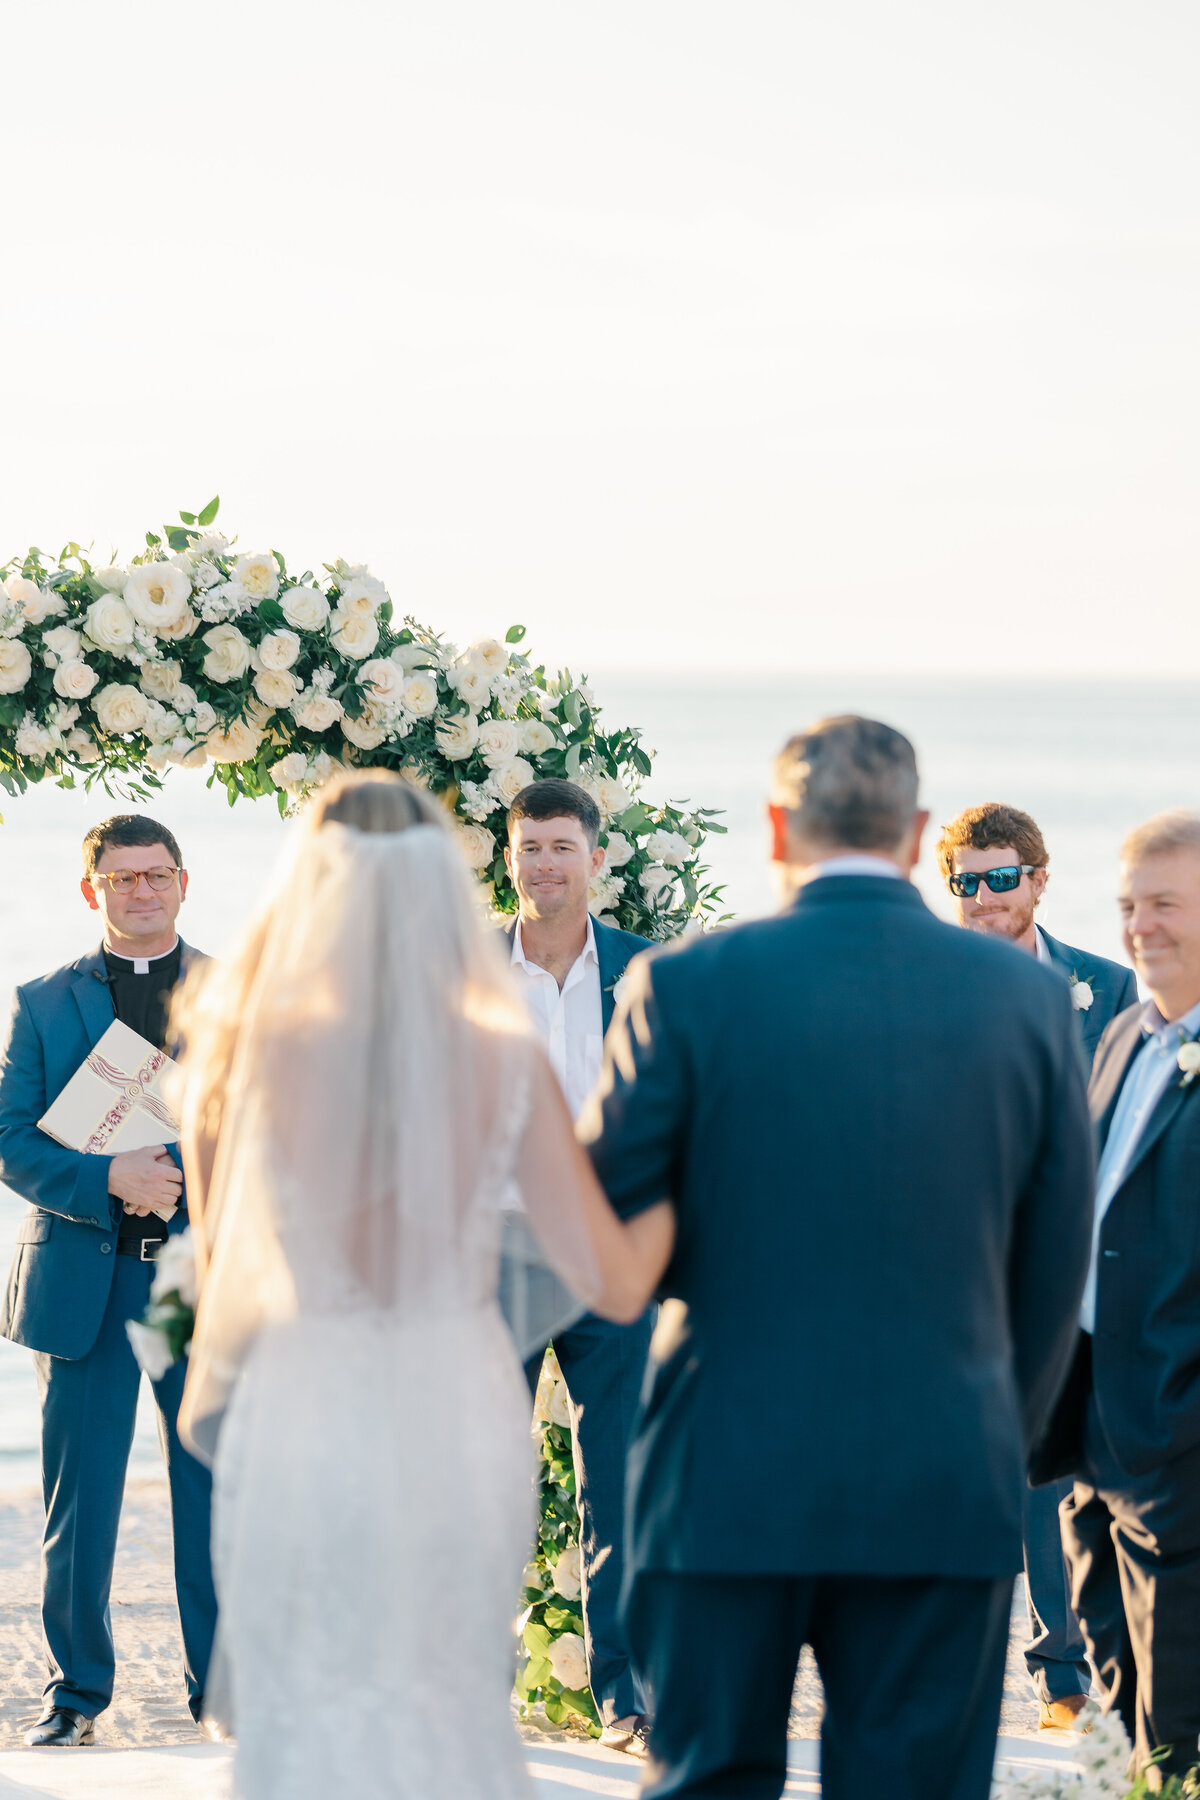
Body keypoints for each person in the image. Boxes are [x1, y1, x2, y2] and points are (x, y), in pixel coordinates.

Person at [580, 716, 1095, 1800]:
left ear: (777, 826)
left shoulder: (682, 986)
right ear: (915, 834)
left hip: (724, 1472)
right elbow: (1054, 1266)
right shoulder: (1031, 1001)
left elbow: (601, 1239)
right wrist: (1004, 1431)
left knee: (712, 1780)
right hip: (944, 1472)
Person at [175, 771, 672, 1800]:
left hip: (301, 1408)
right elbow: (615, 1286)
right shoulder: (499, 1062)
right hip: (452, 1406)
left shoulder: (237, 1056)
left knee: (312, 1683)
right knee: (442, 1686)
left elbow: (223, 1275)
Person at [0, 815, 217, 1747]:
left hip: (198, 1279)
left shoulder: (237, 993)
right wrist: (108, 1180)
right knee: (78, 1500)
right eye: (121, 878)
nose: (140, 891)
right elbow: (8, 1138)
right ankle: (75, 1697)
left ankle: (226, 1695)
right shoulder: (44, 1002)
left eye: (155, 875)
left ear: (182, 882)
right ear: (91, 890)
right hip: (86, 1284)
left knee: (209, 1489)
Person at [937, 801, 1138, 1731]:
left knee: (1066, 1470)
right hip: (959, 1265)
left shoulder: (1107, 986)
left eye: (999, 878)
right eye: (965, 881)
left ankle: (1069, 1666)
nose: (982, 897)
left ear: (1039, 878)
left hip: (1080, 1266)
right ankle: (998, 1661)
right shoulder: (925, 985)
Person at [1032, 810, 1200, 1779]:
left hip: (1176, 1426)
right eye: (1131, 905)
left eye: (1167, 905)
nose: (1142, 926)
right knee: (1114, 1677)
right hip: (1086, 1419)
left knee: (1180, 1702)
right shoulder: (1127, 1033)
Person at [502, 778, 654, 1752]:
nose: (546, 864)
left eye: (563, 846)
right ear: (507, 857)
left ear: (597, 859)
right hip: (495, 1259)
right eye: (529, 847)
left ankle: (628, 1700)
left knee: (625, 1485)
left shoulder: (651, 971)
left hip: (611, 1257)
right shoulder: (458, 968)